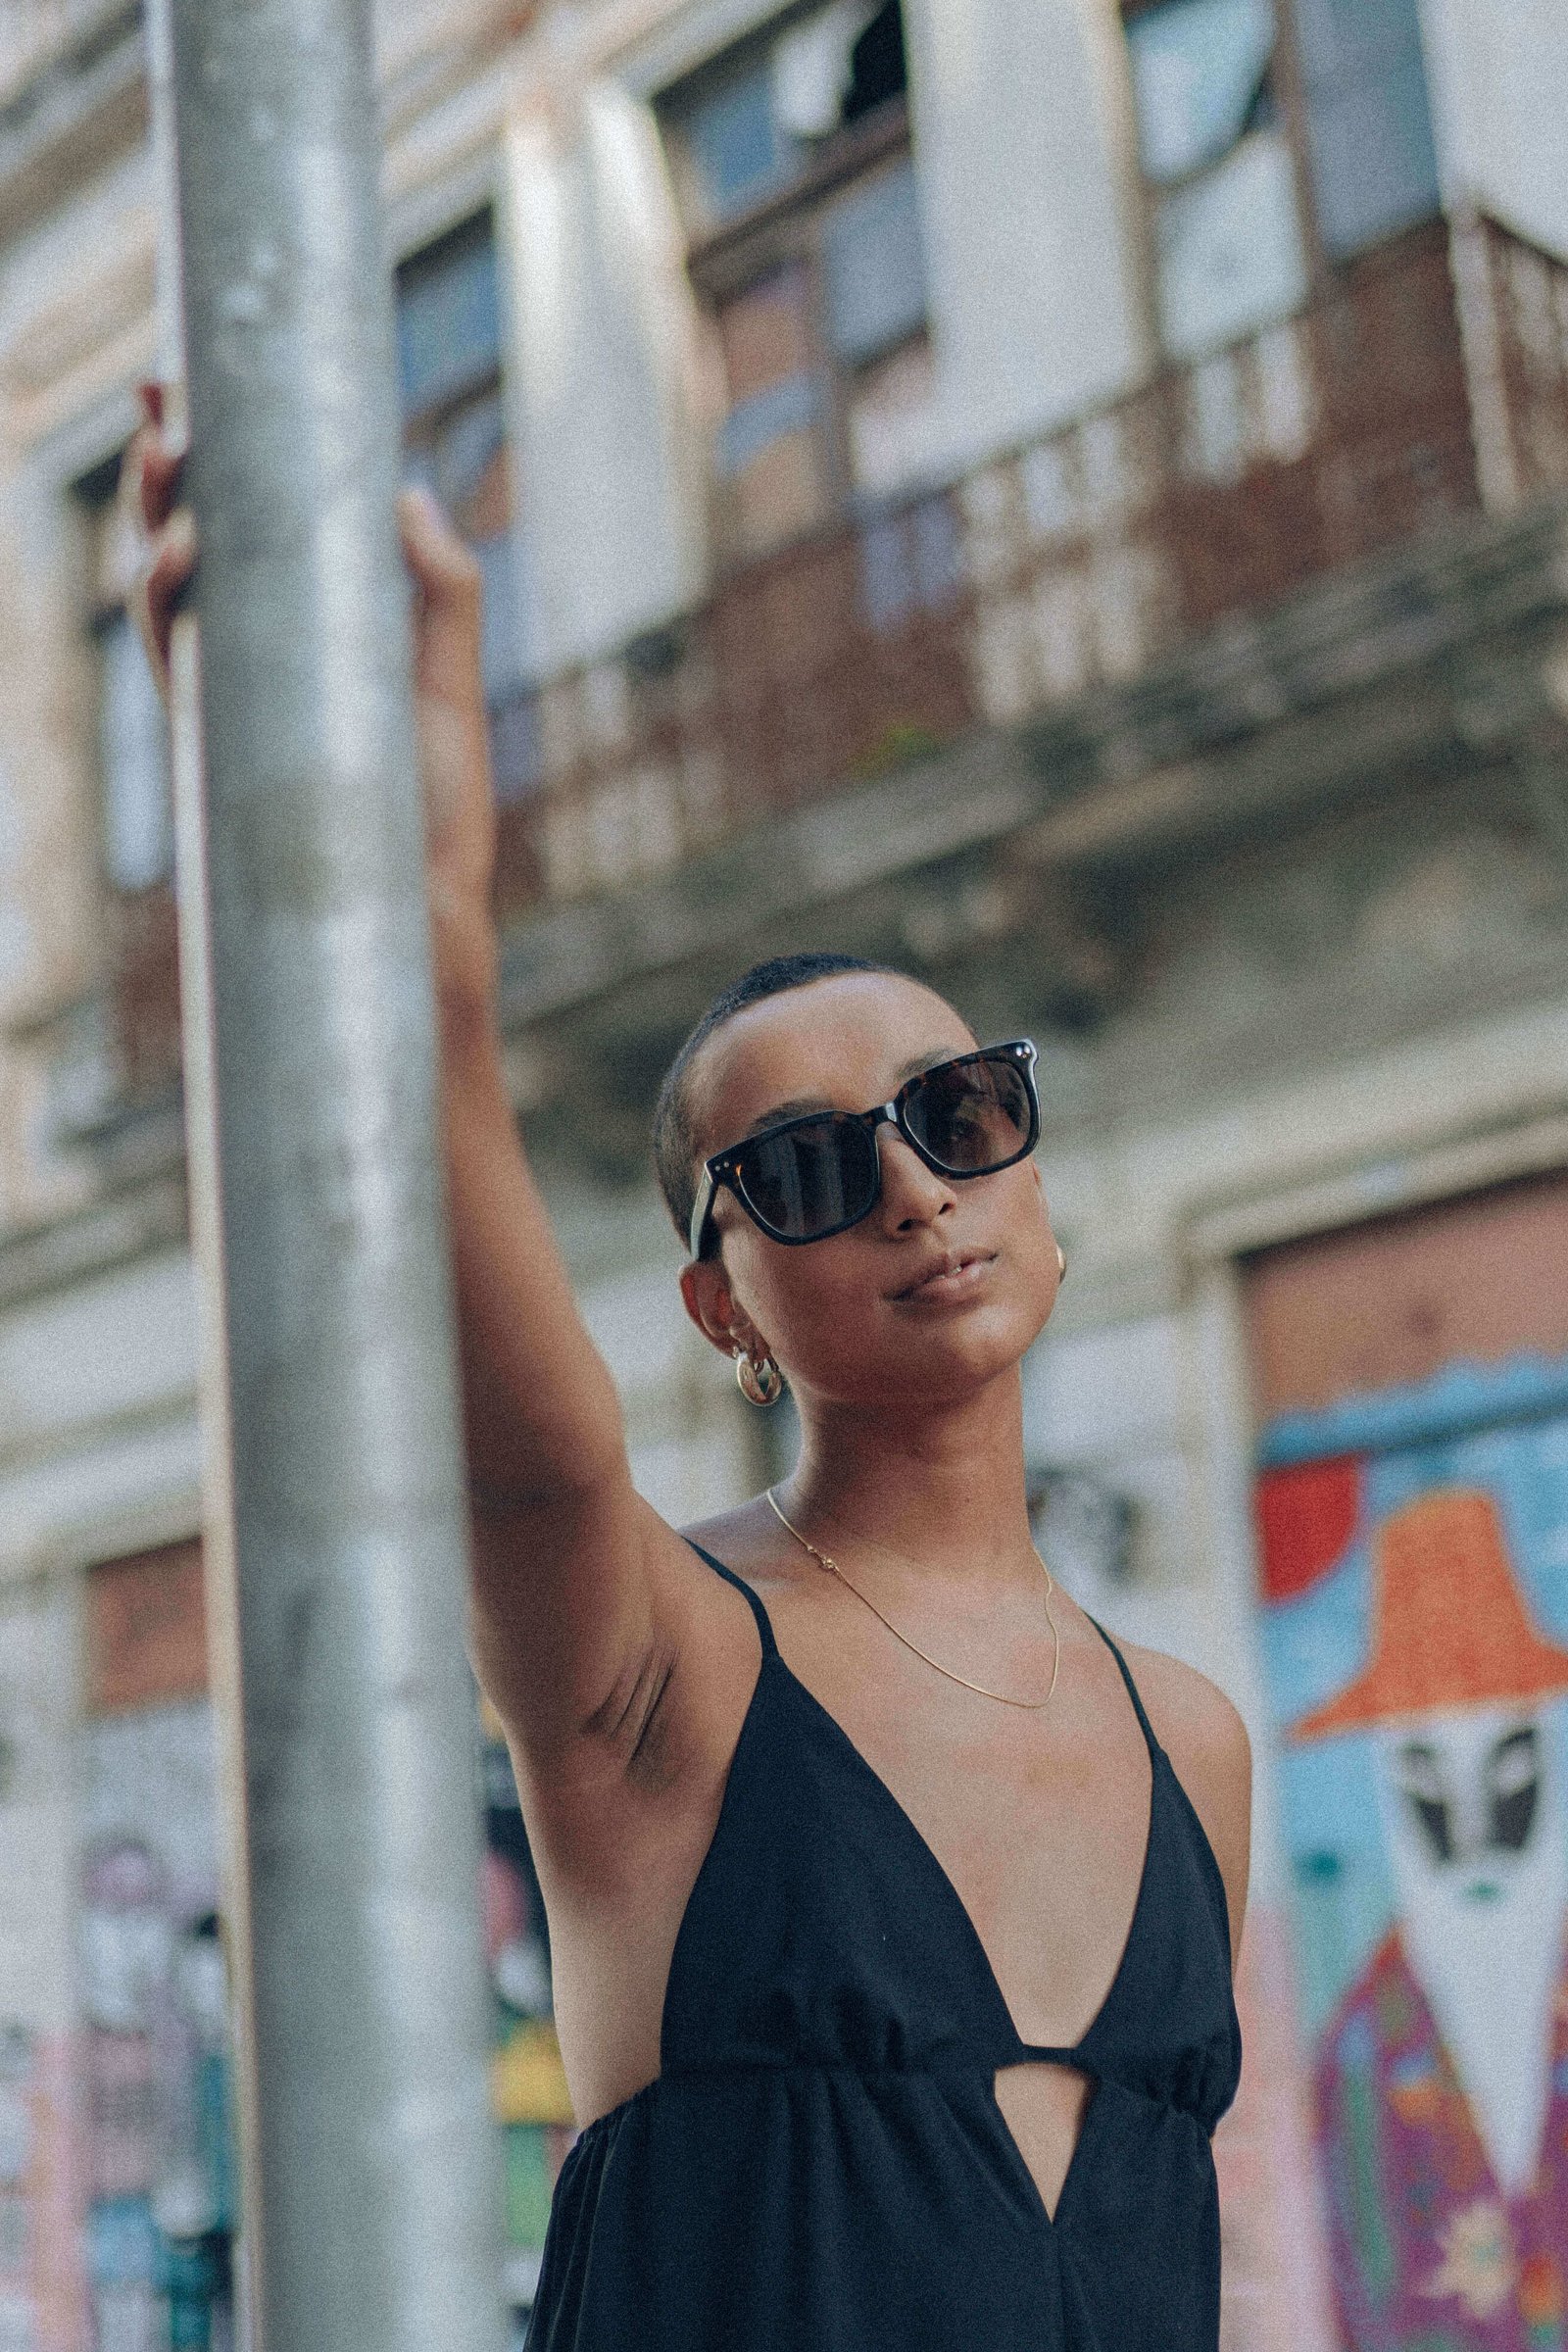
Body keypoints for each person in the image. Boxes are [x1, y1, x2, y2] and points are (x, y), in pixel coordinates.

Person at [129, 396, 1252, 2350]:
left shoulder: (1196, 1742)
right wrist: (414, 939)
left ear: (1037, 1182)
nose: (913, 1188)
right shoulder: (661, 1657)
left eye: (961, 1112)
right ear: (719, 1307)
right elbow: (527, 1455)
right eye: (805, 1169)